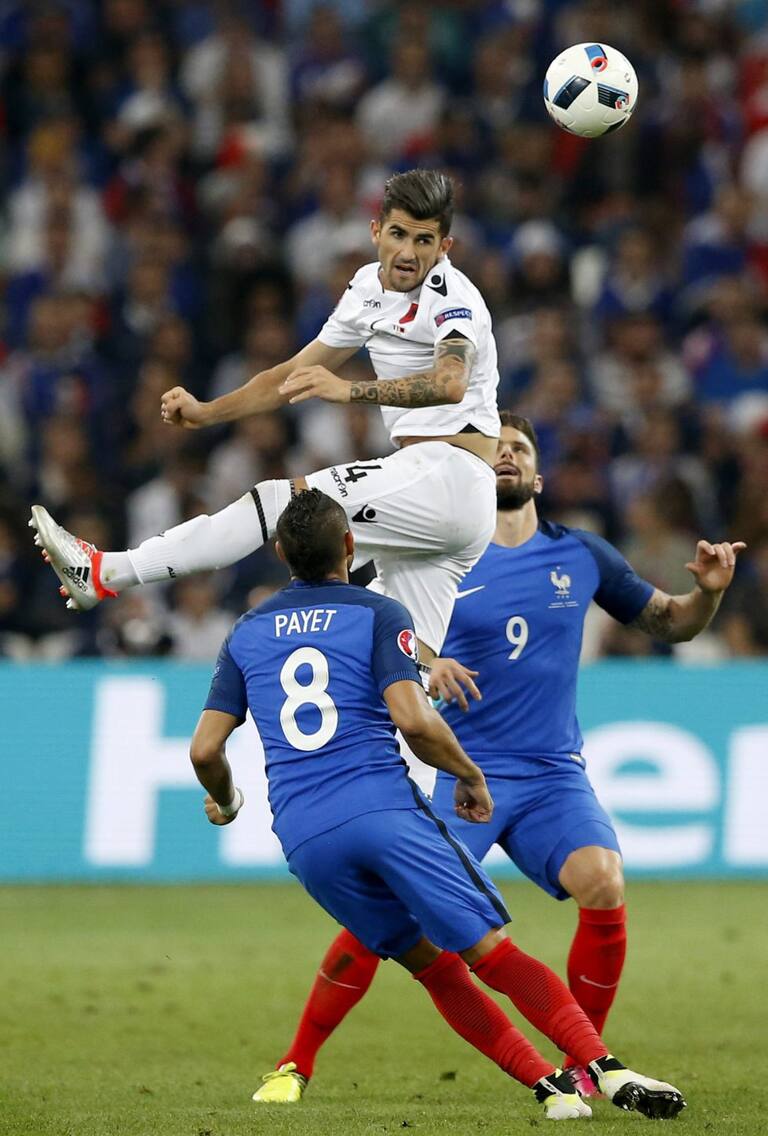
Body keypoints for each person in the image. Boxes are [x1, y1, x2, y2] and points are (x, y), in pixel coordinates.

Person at [252, 413, 743, 1105]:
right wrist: (428, 660)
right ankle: (295, 1061)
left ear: (538, 475)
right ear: (473, 474)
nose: (507, 455)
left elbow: (671, 622)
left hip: (552, 775)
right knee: (385, 922)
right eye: (495, 449)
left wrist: (709, 593)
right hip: (460, 773)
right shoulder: (437, 555)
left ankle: (583, 1067)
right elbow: (369, 624)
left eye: (521, 449)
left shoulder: (583, 555)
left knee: (603, 880)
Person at [190, 488, 686, 1121]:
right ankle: (604, 1069)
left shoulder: (247, 630)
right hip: (385, 813)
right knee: (491, 953)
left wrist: (227, 800)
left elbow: (205, 749)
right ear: (350, 546)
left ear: (281, 553)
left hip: (305, 838)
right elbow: (415, 722)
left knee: (433, 969)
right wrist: (469, 775)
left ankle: (549, 1089)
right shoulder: (379, 614)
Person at [30, 168, 500, 661]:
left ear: (445, 246)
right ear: (375, 230)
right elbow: (288, 376)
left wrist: (349, 390)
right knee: (405, 668)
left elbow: (451, 382)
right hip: (438, 503)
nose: (408, 252)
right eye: (399, 234)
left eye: (424, 241)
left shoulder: (451, 295)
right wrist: (209, 412)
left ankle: (106, 572)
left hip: (448, 474)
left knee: (281, 502)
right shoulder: (367, 289)